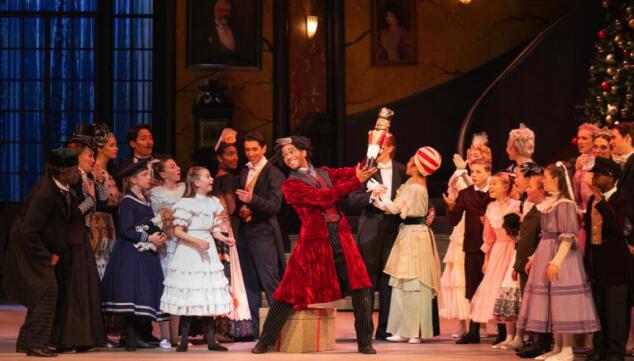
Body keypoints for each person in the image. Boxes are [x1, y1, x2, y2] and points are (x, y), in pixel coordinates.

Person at [252, 136, 377, 354]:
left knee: (361, 287)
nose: (288, 157)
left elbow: (353, 170)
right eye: (285, 155)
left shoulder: (325, 173)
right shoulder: (291, 185)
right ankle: (265, 340)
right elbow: (322, 197)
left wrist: (374, 150)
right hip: (313, 240)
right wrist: (355, 181)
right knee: (288, 290)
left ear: (304, 152)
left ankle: (365, 341)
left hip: (340, 235)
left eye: (292, 151)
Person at [517, 162, 600, 361]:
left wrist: (556, 261)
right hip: (547, 253)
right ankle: (557, 346)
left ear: (556, 180)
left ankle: (567, 349)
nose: (543, 182)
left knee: (565, 302)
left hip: (563, 258)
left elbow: (568, 236)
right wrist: (534, 258)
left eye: (545, 178)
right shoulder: (550, 204)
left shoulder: (565, 205)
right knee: (553, 302)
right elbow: (545, 235)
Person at [5, 149, 81, 357]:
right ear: (63, 171)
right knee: (46, 291)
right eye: (75, 168)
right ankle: (35, 344)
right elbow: (29, 231)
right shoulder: (44, 193)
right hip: (28, 247)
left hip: (39, 244)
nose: (78, 172)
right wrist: (47, 256)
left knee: (42, 291)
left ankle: (27, 341)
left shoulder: (64, 188)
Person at [160, 167, 234, 352]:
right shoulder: (186, 203)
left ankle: (210, 340)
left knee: (206, 292)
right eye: (207, 177)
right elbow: (177, 231)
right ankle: (183, 340)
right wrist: (197, 241)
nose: (211, 180)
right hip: (189, 252)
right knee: (189, 292)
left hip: (206, 248)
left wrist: (225, 238)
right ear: (196, 182)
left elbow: (215, 230)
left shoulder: (213, 202)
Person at [373, 147, 442, 343]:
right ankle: (404, 328)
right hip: (409, 234)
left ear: (418, 166)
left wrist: (376, 196)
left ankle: (415, 330)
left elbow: (395, 208)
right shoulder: (412, 183)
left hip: (414, 236)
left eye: (412, 161)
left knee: (414, 282)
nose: (408, 164)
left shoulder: (415, 187)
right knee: (403, 283)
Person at [101, 160, 168, 351]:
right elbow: (126, 229)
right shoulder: (128, 200)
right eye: (145, 175)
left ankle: (139, 335)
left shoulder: (144, 199)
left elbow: (146, 223)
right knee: (131, 292)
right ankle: (130, 337)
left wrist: (158, 234)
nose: (149, 178)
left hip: (144, 252)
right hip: (131, 252)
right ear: (133, 179)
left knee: (142, 292)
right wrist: (149, 237)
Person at [347, 134, 406, 340]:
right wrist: (371, 196)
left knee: (389, 281)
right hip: (371, 228)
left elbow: (416, 191)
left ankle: (386, 329)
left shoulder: (402, 170)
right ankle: (365, 330)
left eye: (378, 147)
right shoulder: (365, 168)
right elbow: (352, 199)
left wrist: (430, 209)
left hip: (395, 229)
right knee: (367, 282)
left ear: (389, 148)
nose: (372, 151)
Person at [440, 133, 491, 338]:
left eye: (477, 158)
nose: (472, 159)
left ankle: (491, 326)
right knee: (468, 283)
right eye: (471, 156)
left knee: (490, 283)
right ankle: (470, 328)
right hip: (468, 240)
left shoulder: (492, 189)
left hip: (489, 243)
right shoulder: (465, 189)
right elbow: (454, 216)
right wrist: (451, 206)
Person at [235, 131, 286, 332]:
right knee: (249, 283)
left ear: (263, 149)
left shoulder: (275, 174)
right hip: (245, 231)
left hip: (264, 232)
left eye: (254, 149)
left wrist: (251, 200)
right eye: (247, 149)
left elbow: (274, 206)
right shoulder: (243, 171)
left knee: (270, 281)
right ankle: (253, 330)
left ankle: (278, 329)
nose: (250, 153)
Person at [584, 158, 632, 361]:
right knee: (599, 308)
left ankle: (615, 352)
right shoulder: (592, 200)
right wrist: (588, 263)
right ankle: (599, 348)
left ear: (611, 178)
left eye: (599, 174)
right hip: (598, 263)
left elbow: (617, 228)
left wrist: (601, 202)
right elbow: (589, 234)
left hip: (617, 265)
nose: (594, 178)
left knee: (616, 312)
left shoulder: (622, 199)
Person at [212, 129, 255, 341]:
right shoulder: (227, 179)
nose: (235, 157)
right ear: (219, 158)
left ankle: (220, 325)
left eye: (236, 153)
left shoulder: (218, 177)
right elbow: (229, 208)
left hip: (219, 228)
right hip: (226, 228)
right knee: (229, 276)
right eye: (229, 154)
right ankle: (227, 325)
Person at [468, 173, 520, 348]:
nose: (490, 187)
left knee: (508, 289)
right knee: (496, 289)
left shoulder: (515, 205)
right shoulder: (490, 207)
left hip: (511, 249)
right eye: (490, 184)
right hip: (497, 250)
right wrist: (486, 259)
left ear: (506, 186)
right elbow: (488, 238)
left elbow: (517, 233)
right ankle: (503, 333)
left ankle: (512, 334)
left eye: (494, 184)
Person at [149, 157, 185, 348]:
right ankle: (164, 335)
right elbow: (154, 219)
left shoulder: (185, 189)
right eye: (172, 166)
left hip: (183, 243)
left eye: (177, 165)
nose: (178, 168)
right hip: (167, 243)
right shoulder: (156, 193)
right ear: (162, 174)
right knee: (166, 289)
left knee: (179, 289)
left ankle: (176, 336)